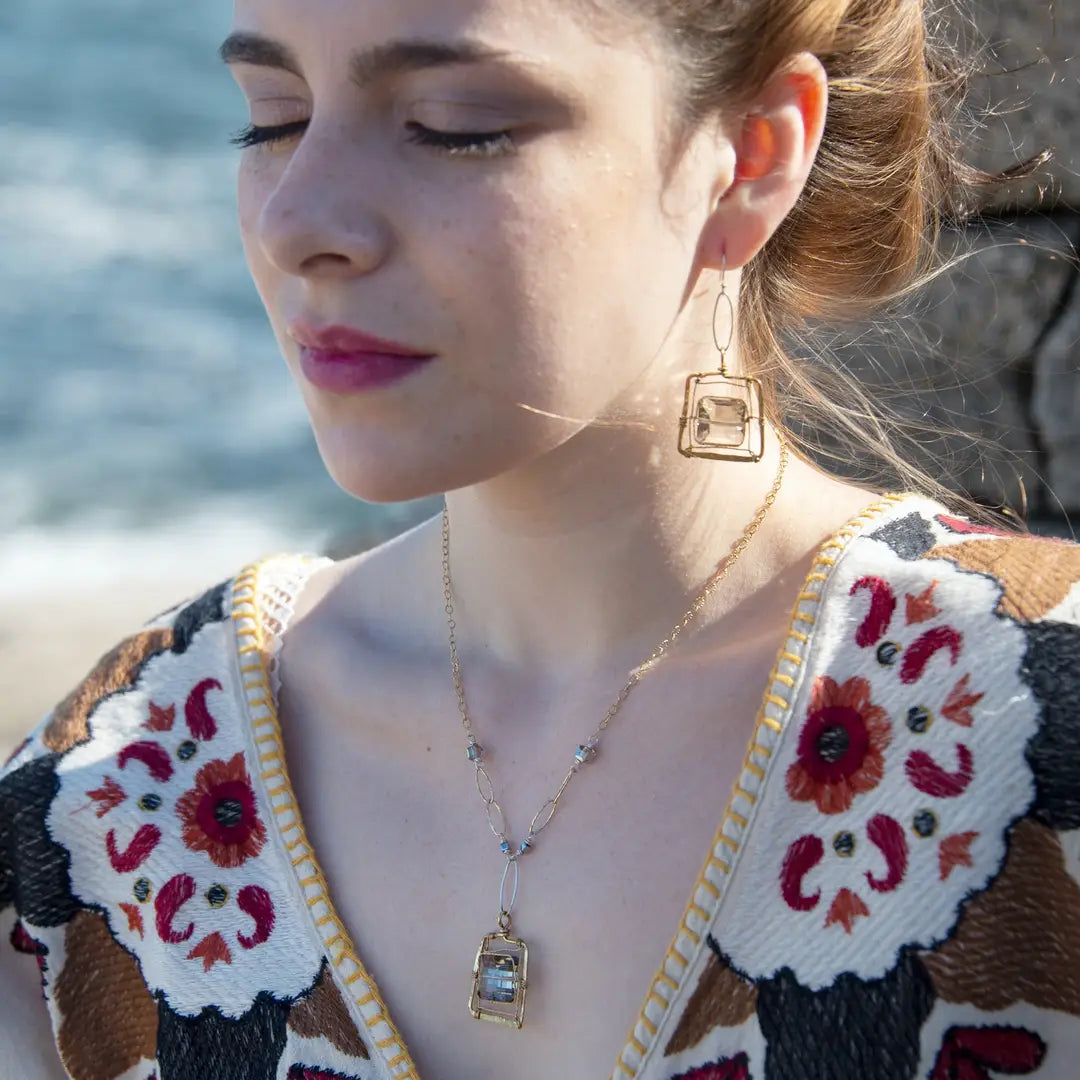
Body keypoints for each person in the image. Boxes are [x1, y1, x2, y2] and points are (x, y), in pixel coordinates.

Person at [2, 0, 1078, 1077]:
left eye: (454, 123)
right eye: (272, 119)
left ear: (752, 155)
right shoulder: (106, 804)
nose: (297, 220)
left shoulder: (1040, 716)